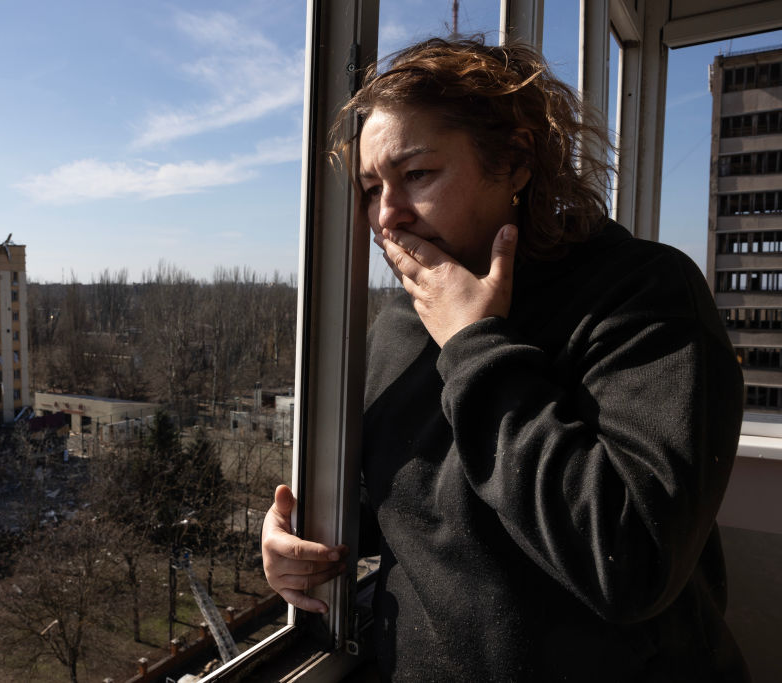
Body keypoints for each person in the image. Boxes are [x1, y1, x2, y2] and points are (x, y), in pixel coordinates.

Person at [261, 37, 749, 682]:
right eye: (371, 188)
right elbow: (396, 514)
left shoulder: (641, 293)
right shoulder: (402, 323)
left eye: (418, 175)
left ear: (515, 161)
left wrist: (473, 346)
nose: (389, 217)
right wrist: (294, 542)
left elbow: (631, 562)